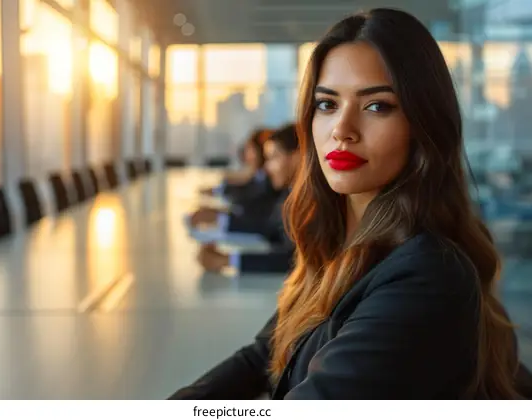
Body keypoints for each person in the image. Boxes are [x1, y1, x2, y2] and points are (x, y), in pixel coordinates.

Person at [169, 8, 531, 399]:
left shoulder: (427, 275)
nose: (342, 130)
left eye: (377, 106)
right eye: (327, 105)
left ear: (424, 125)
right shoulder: (340, 245)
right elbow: (264, 353)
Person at [196, 123, 300, 274]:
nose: (267, 167)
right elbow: (269, 227)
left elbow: (298, 260)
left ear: (298, 156)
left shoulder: (313, 202)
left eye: (274, 157)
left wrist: (228, 260)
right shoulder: (288, 193)